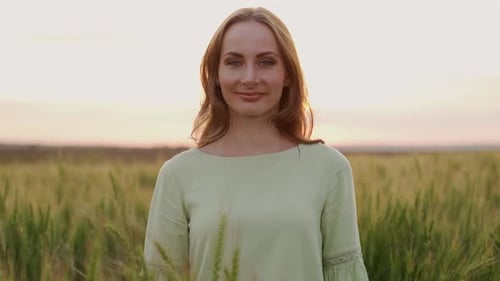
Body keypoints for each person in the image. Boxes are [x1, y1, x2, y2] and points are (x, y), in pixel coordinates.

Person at [144, 6, 369, 281]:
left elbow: (344, 274)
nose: (250, 78)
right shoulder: (177, 175)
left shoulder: (330, 168)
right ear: (215, 75)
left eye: (266, 62)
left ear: (288, 74)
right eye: (234, 62)